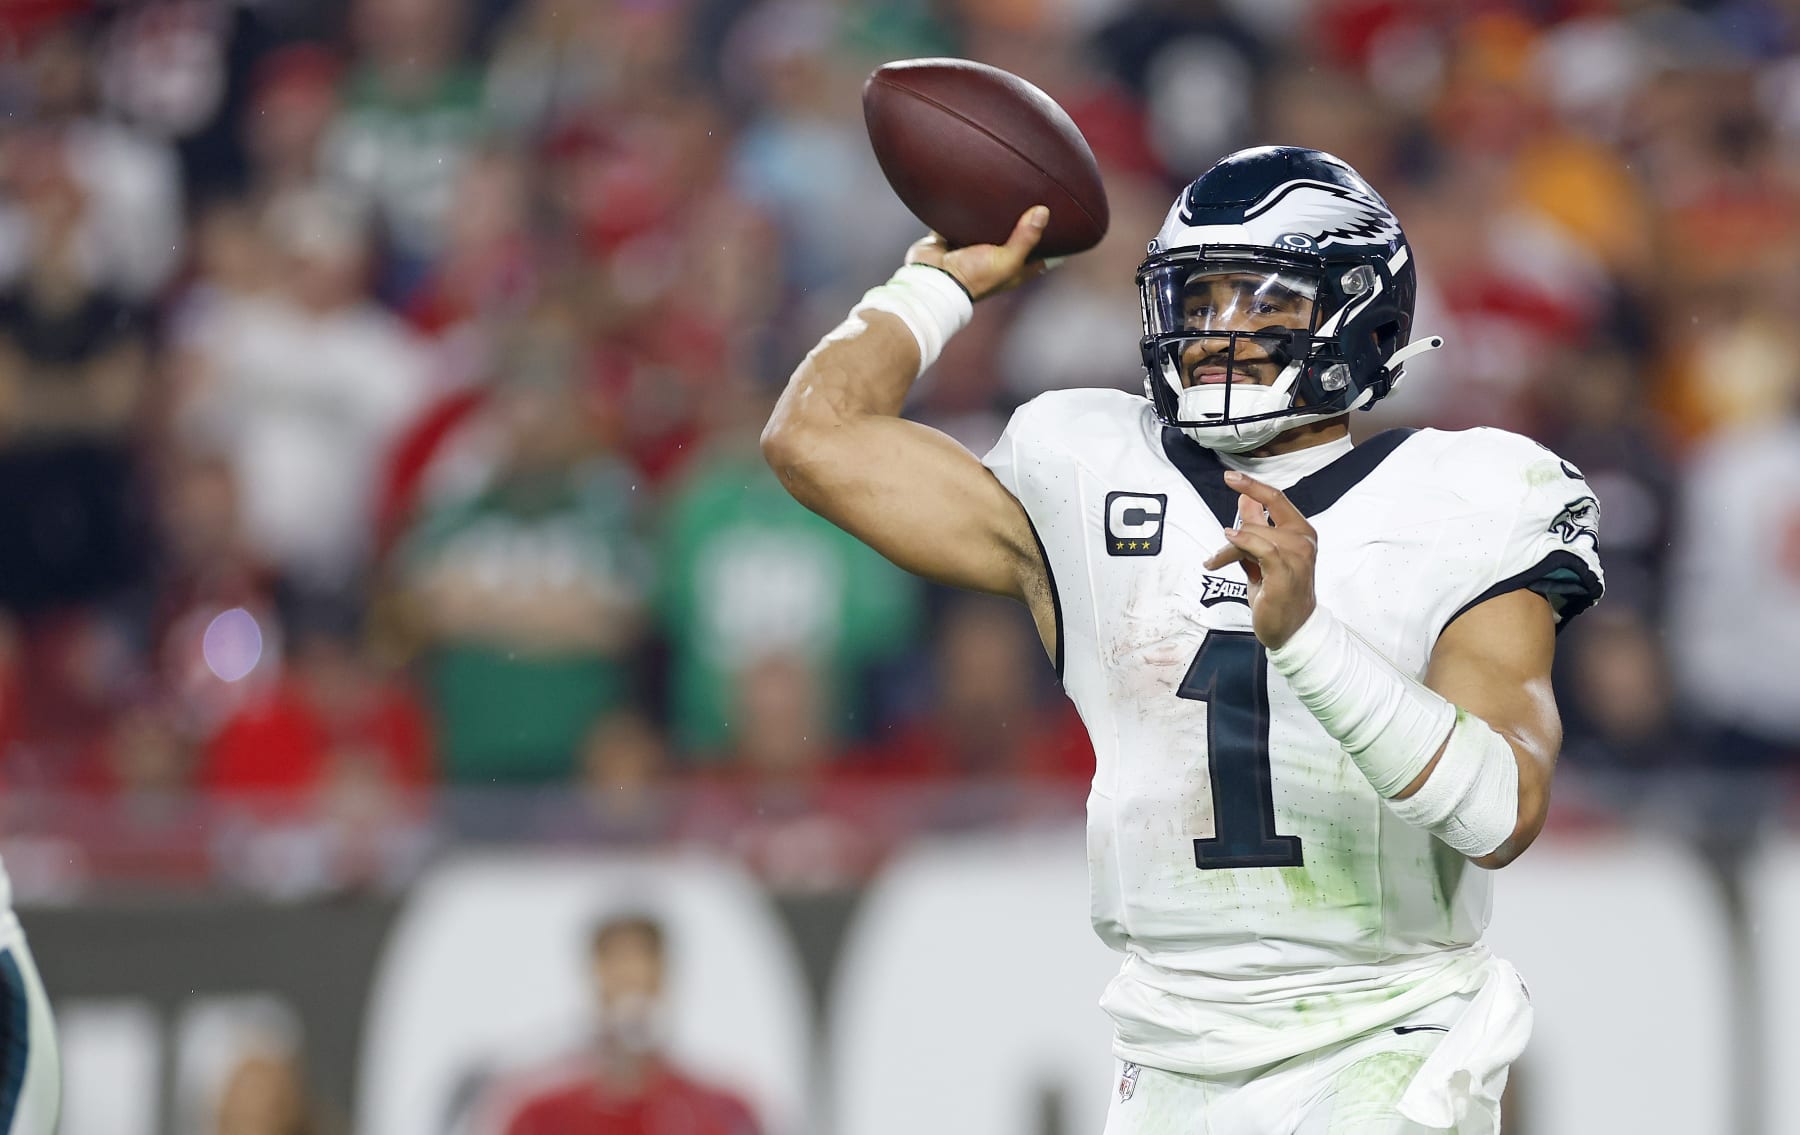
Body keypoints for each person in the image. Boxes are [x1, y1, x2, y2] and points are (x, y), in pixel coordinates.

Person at [762, 146, 1606, 1134]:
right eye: (1198, 301)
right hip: (1166, 1051)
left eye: (1260, 303)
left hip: (1386, 1038)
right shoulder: (1087, 462)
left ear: (1358, 312)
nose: (1216, 334)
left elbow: (1503, 808)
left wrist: (1307, 641)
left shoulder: (1473, 492)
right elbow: (812, 438)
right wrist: (938, 282)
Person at [474, 914, 762, 1135]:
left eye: (645, 982)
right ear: (595, 981)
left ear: (664, 982)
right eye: (618, 981)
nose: (632, 1001)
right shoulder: (541, 1115)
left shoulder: (724, 1111)